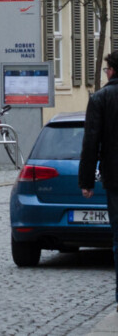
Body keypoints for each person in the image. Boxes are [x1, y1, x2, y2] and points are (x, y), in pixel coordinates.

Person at [80, 51, 118, 302]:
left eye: (106, 70)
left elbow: (91, 141)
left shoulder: (101, 98)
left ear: (112, 70)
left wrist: (86, 181)